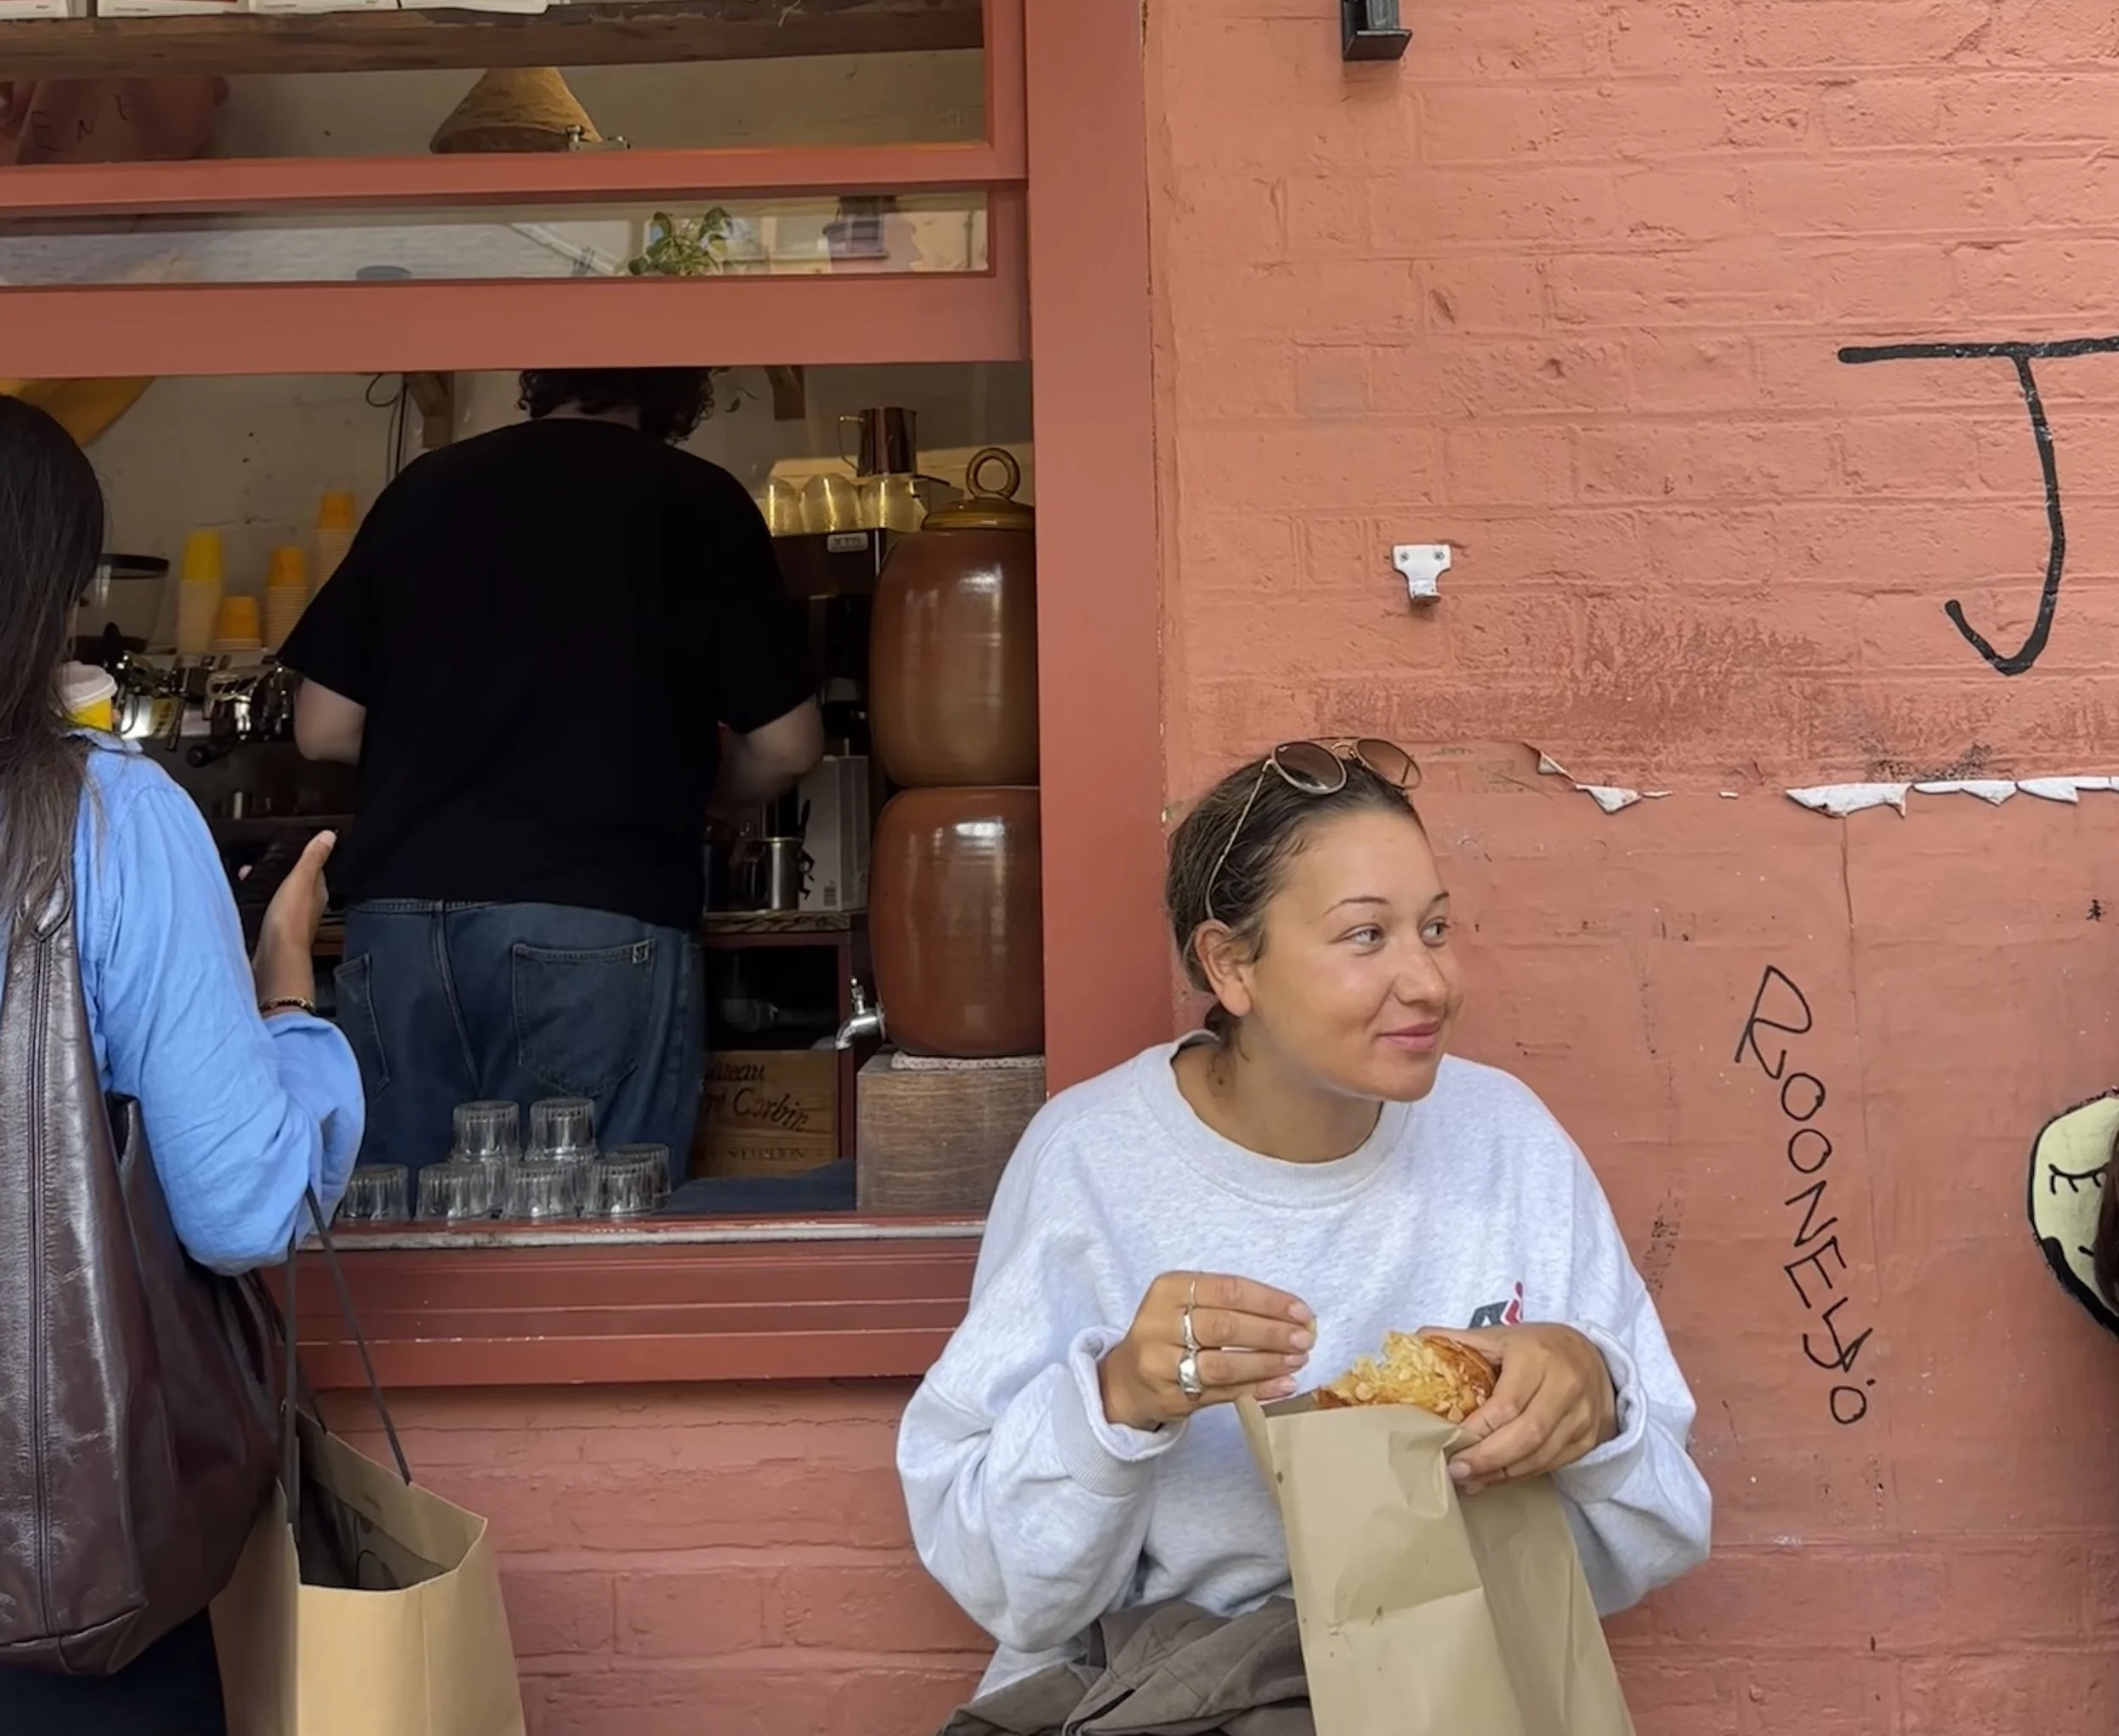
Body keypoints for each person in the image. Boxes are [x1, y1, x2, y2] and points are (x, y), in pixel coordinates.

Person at [900, 738, 1711, 1714]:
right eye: (1366, 937)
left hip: (1453, 1688)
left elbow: (1664, 1532)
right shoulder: (1093, 1159)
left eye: (1436, 928)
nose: (1431, 983)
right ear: (1229, 964)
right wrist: (1117, 1399)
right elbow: (1006, 1590)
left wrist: (1595, 1401)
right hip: (1166, 1692)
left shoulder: (1506, 1140)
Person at [0, 394, 363, 1734]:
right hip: (52, 1582)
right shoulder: (113, 822)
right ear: (56, 591)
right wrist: (285, 999)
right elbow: (242, 1207)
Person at [282, 366, 822, 1178]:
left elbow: (322, 727)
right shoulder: (695, 500)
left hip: (399, 933)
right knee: (582, 1245)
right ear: (679, 393)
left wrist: (452, 748)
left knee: (404, 1250)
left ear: (540, 379)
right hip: (591, 915)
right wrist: (703, 794)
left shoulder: (428, 487)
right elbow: (787, 744)